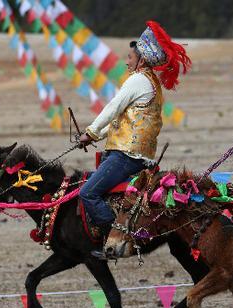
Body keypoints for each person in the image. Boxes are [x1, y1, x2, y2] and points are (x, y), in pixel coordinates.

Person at [78, 21, 191, 256]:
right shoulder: (151, 82)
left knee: (87, 193)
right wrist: (95, 135)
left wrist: (90, 132)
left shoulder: (138, 80)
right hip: (137, 155)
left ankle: (113, 241)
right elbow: (122, 116)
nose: (126, 61)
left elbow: (113, 106)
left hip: (126, 156)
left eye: (130, 57)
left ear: (142, 60)